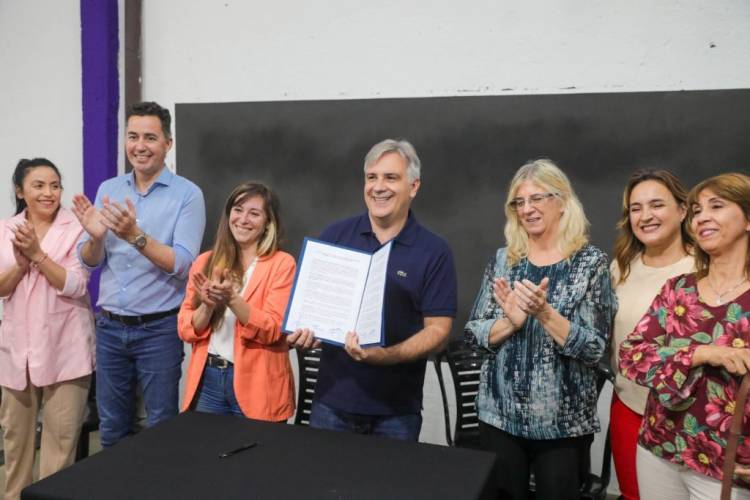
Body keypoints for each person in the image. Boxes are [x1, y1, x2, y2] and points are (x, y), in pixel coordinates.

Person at [464, 159, 616, 500]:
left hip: (562, 427)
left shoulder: (589, 263)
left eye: (537, 199)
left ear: (562, 202)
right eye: (519, 202)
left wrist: (545, 315)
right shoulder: (505, 260)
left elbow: (594, 348)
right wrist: (510, 323)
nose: (527, 209)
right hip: (499, 419)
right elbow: (473, 335)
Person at [287, 139, 457, 441]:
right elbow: (310, 310)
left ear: (414, 186)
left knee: (390, 489)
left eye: (391, 177)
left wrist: (387, 356)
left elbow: (439, 330)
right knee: (323, 487)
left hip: (396, 412)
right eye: (371, 177)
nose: (378, 187)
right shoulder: (335, 236)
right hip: (331, 405)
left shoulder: (434, 251)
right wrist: (303, 332)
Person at [73, 101, 206, 447]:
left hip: (159, 330)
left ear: (168, 144)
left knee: (161, 430)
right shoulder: (109, 189)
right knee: (112, 428)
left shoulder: (188, 195)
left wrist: (134, 235)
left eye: (150, 137)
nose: (139, 146)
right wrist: (96, 239)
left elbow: (182, 264)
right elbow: (90, 261)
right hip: (111, 327)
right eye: (132, 136)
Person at [620, 172, 750, 499]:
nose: (702, 217)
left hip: (727, 465)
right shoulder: (678, 290)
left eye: (716, 206)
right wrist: (702, 353)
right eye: (696, 211)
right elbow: (632, 357)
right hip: (658, 450)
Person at [0, 159, 94, 500]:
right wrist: (21, 266)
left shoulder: (77, 227)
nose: (49, 193)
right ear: (20, 191)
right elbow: (1, 286)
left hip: (65, 348)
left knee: (60, 445)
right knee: (16, 444)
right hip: (17, 353)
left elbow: (75, 284)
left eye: (55, 185)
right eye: (38, 185)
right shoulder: (5, 228)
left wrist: (37, 256)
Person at [610, 170, 695, 500]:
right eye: (635, 208)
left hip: (689, 416)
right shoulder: (622, 266)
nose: (645, 216)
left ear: (682, 210)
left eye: (657, 204)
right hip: (630, 406)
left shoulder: (704, 265)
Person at [178, 182, 295, 420]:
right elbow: (186, 328)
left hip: (260, 385)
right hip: (208, 381)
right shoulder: (204, 262)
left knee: (257, 456)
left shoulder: (282, 264)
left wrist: (232, 298)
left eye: (254, 213)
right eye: (238, 210)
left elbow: (273, 330)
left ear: (267, 223)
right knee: (208, 455)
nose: (243, 219)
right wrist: (208, 305)